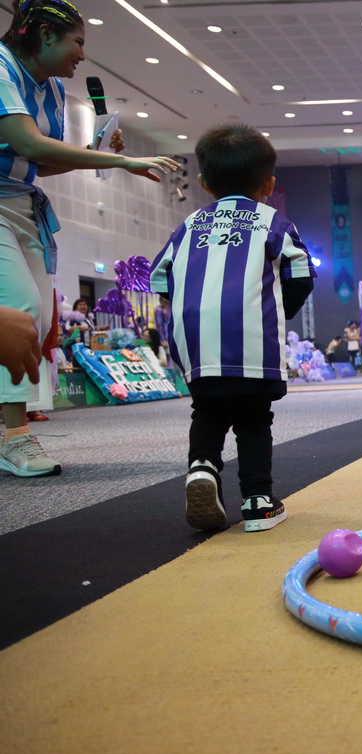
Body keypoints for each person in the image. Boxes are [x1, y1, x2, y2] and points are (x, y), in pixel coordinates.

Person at [0, 0, 177, 478]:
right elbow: (27, 142)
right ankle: (15, 437)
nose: (82, 54)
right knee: (19, 308)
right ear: (44, 35)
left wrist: (91, 150)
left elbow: (42, 163)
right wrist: (120, 161)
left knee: (39, 318)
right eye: (77, 42)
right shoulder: (0, 68)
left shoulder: (54, 89)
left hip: (24, 205)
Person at [150, 123, 314, 532]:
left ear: (204, 183)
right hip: (252, 342)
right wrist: (278, 312)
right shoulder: (273, 222)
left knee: (207, 409)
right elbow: (301, 274)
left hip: (197, 344)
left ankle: (202, 466)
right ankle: (258, 502)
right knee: (253, 418)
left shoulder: (189, 225)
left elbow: (159, 278)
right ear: (268, 184)